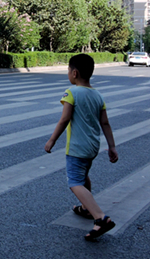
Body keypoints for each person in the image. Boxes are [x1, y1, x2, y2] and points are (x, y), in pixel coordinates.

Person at [44, 54, 118, 241]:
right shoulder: (98, 95)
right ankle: (86, 208)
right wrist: (112, 147)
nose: (68, 74)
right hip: (93, 146)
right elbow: (106, 123)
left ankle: (101, 218)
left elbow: (65, 119)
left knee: (75, 182)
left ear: (74, 73)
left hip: (77, 148)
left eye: (68, 71)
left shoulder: (71, 93)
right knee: (83, 176)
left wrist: (52, 140)